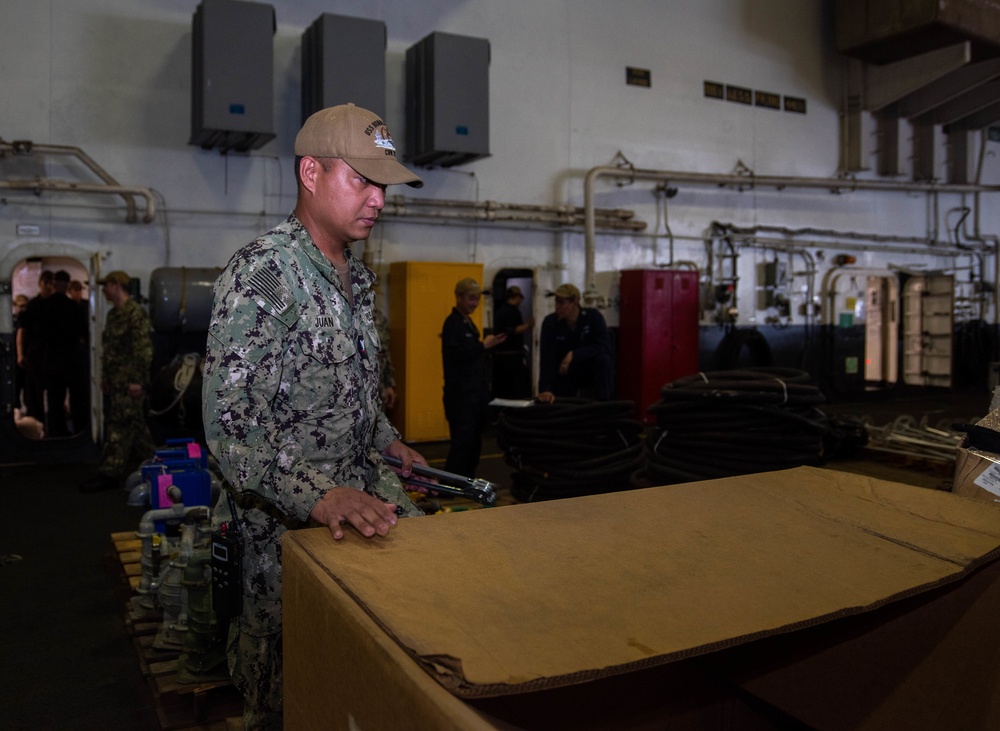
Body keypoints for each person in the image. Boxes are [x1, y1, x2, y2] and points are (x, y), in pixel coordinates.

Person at [202, 103, 428, 730]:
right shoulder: (263, 275)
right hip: (280, 531)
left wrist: (387, 441)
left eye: (382, 184)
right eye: (363, 180)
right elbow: (231, 431)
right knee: (288, 693)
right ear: (310, 173)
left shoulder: (358, 280)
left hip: (359, 499)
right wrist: (320, 495)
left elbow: (358, 386)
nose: (378, 200)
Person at [80, 270, 156, 491]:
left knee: (119, 425)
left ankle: (110, 472)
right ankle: (162, 464)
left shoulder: (135, 314)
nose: (103, 289)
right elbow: (111, 350)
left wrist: (137, 381)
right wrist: (106, 378)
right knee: (136, 428)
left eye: (106, 285)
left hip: (131, 383)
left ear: (116, 285)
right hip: (117, 382)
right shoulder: (114, 315)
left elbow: (144, 351)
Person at [441, 277, 506, 477]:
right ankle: (451, 488)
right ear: (459, 297)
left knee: (474, 444)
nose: (474, 304)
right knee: (462, 444)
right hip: (461, 397)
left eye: (477, 299)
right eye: (470, 298)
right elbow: (456, 356)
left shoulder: (468, 323)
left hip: (475, 395)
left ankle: (468, 483)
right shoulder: (453, 324)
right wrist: (482, 346)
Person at [536, 283, 614, 403]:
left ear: (575, 302)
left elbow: (605, 347)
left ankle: (604, 406)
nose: (557, 307)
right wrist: (545, 389)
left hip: (588, 372)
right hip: (564, 374)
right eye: (556, 302)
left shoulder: (593, 317)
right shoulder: (550, 323)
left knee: (603, 360)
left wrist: (575, 354)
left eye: (561, 303)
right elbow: (546, 358)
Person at [31, 270, 85, 437]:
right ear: (67, 285)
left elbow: (36, 334)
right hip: (71, 360)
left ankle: (56, 432)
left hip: (51, 360)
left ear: (53, 283)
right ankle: (79, 431)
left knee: (54, 401)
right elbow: (81, 333)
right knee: (77, 399)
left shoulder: (42, 306)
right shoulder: (74, 308)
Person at [17, 270, 55, 425]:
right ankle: (36, 424)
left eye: (50, 283)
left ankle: (51, 424)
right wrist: (20, 354)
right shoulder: (33, 305)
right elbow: (22, 331)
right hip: (37, 351)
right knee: (34, 393)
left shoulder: (54, 304)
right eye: (46, 283)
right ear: (40, 284)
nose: (48, 287)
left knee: (53, 392)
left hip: (51, 351)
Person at [492, 285, 534, 398]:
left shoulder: (500, 311)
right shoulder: (512, 312)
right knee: (517, 388)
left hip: (500, 357)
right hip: (512, 357)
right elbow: (514, 330)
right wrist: (529, 325)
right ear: (517, 297)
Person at [374, 307, 397, 411]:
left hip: (378, 387)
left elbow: (385, 353)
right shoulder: (343, 314)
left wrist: (389, 385)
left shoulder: (378, 317)